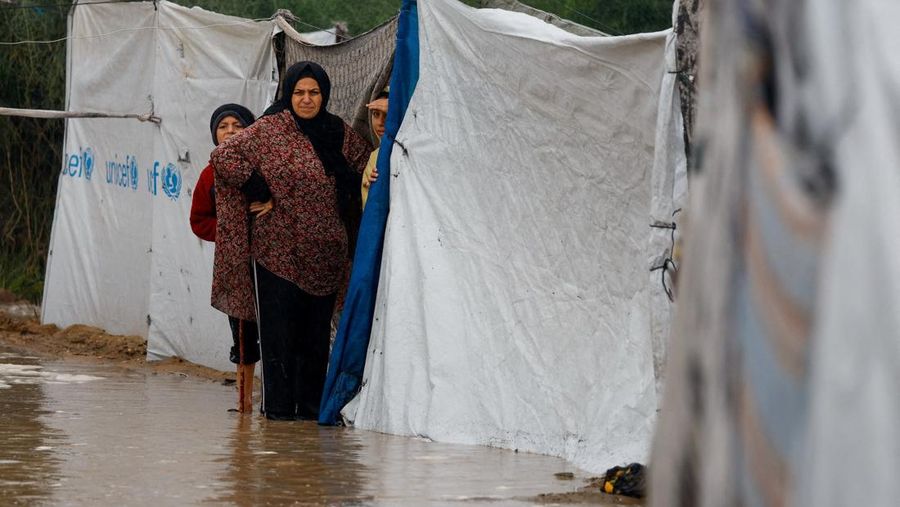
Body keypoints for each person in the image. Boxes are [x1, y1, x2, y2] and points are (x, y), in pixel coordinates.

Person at [211, 61, 371, 420]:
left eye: (314, 92)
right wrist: (258, 187)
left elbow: (366, 165)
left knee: (315, 343)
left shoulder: (338, 133)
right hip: (277, 255)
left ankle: (311, 418)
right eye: (299, 92)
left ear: (324, 94)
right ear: (289, 93)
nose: (306, 99)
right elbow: (225, 155)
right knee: (280, 340)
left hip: (325, 256)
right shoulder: (271, 129)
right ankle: (279, 421)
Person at [190, 103, 267, 414]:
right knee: (244, 336)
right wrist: (230, 230)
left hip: (268, 263)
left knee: (273, 332)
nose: (231, 131)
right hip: (234, 266)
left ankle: (274, 400)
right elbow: (199, 220)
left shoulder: (264, 169)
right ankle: (245, 404)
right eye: (224, 126)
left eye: (238, 125)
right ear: (215, 134)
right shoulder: (209, 175)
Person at [361, 89, 388, 209]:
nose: (380, 122)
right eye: (376, 114)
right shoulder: (374, 156)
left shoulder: (412, 152)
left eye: (388, 115)